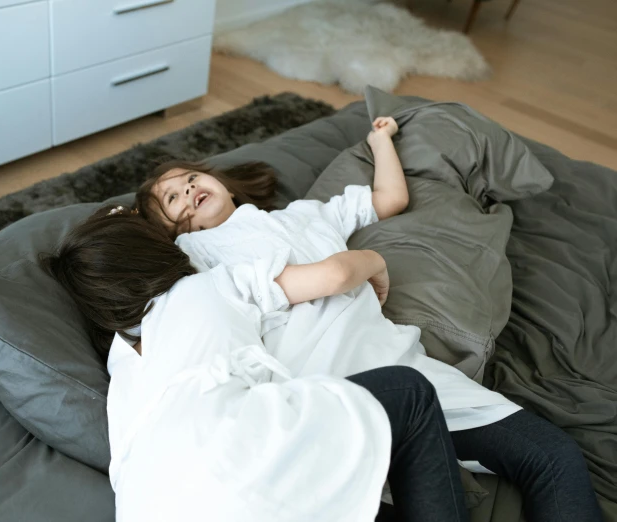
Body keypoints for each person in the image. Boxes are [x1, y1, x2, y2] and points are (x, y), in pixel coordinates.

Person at [132, 117, 604, 522]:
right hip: (323, 391)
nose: (189, 189)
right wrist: (130, 224)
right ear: (171, 229)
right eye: (172, 198)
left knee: (553, 456)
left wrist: (381, 141)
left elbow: (390, 199)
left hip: (409, 371)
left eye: (191, 178)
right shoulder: (195, 255)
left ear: (225, 184)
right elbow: (137, 284)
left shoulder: (306, 214)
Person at [42, 205, 470, 522]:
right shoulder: (208, 285)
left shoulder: (120, 363)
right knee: (409, 391)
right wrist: (376, 262)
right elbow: (337, 275)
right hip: (236, 472)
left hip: (149, 507)